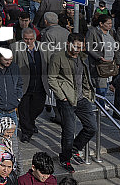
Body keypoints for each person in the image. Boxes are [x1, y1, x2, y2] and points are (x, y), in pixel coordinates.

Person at [47, 33, 96, 173]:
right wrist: (62, 97)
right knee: (69, 131)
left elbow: (85, 77)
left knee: (92, 127)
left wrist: (87, 93)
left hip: (81, 98)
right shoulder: (58, 57)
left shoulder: (82, 57)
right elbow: (52, 78)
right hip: (67, 100)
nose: (78, 49)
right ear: (68, 43)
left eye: (80, 46)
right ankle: (65, 158)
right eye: (75, 46)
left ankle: (74, 148)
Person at [13, 28, 48, 143]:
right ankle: (26, 132)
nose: (28, 41)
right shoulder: (15, 47)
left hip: (39, 84)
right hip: (24, 85)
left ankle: (30, 123)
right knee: (23, 110)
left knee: (38, 107)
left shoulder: (43, 47)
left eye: (31, 39)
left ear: (35, 38)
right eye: (26, 39)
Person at [0, 49, 23, 125]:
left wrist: (18, 98)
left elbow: (19, 83)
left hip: (12, 111)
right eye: (6, 59)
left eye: (11, 59)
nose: (9, 62)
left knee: (13, 136)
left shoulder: (14, 67)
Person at [86, 13, 118, 97]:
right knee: (101, 88)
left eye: (111, 23)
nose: (110, 25)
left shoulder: (111, 32)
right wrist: (98, 57)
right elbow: (88, 47)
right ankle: (101, 106)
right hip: (99, 64)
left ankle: (101, 104)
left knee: (106, 85)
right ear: (101, 23)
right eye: (108, 23)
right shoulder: (93, 31)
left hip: (110, 63)